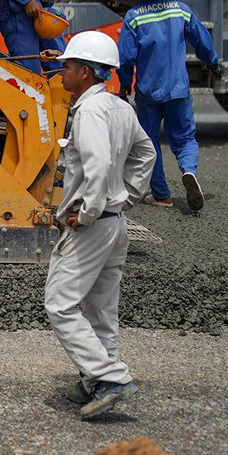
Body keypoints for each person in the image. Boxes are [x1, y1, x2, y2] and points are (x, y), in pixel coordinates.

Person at [44, 30, 156, 420]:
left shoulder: (89, 111)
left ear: (87, 72)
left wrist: (88, 211)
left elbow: (99, 165)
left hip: (91, 226)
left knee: (59, 304)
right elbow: (146, 152)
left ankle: (110, 377)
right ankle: (96, 380)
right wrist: (127, 196)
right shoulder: (120, 107)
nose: (62, 72)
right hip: (115, 223)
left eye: (69, 66)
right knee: (102, 308)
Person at [116, 0, 220, 211]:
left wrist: (124, 85)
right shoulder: (180, 10)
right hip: (178, 90)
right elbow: (202, 42)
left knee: (149, 143)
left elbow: (125, 59)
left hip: (148, 93)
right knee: (185, 138)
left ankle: (161, 195)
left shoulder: (134, 17)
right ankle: (188, 170)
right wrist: (212, 62)